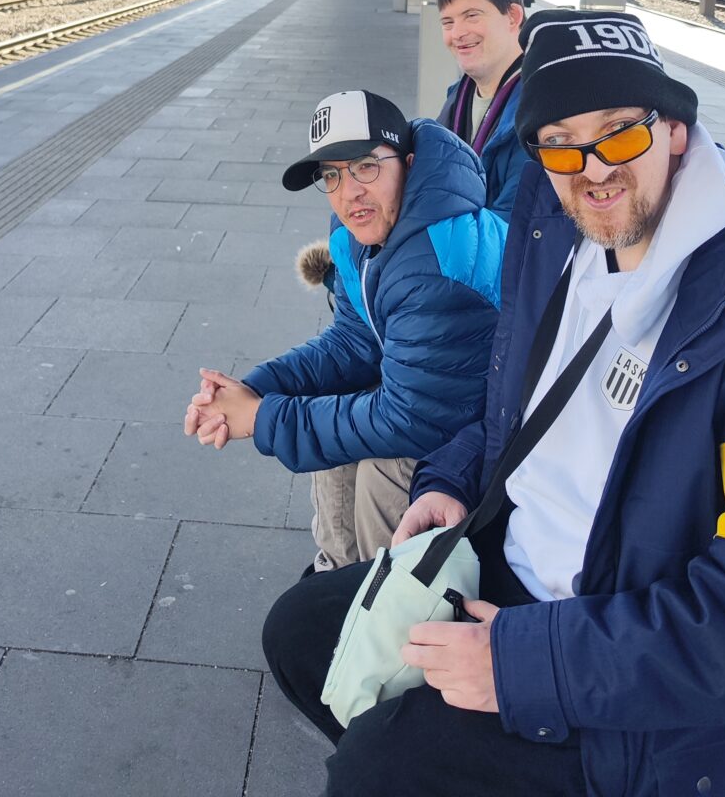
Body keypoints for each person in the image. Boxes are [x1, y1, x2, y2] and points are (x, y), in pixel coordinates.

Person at [263, 9, 725, 797]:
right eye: (559, 142)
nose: (592, 168)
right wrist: (452, 476)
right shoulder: (558, 236)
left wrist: (526, 665)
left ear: (678, 132)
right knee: (301, 633)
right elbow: (512, 400)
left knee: (375, 770)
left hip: (645, 682)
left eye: (619, 132)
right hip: (520, 572)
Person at [184, 89, 507, 572]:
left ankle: (391, 607)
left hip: (496, 421)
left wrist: (262, 417)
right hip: (434, 396)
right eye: (331, 174)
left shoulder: (436, 257)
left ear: (408, 161)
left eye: (365, 166)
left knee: (385, 467)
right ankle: (337, 576)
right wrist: (253, 388)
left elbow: (412, 421)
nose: (348, 191)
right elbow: (354, 342)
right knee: (335, 443)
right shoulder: (362, 230)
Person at [435, 0, 529, 219]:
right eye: (447, 22)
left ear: (513, 16)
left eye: (472, 16)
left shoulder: (540, 113)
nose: (457, 33)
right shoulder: (456, 97)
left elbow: (512, 226)